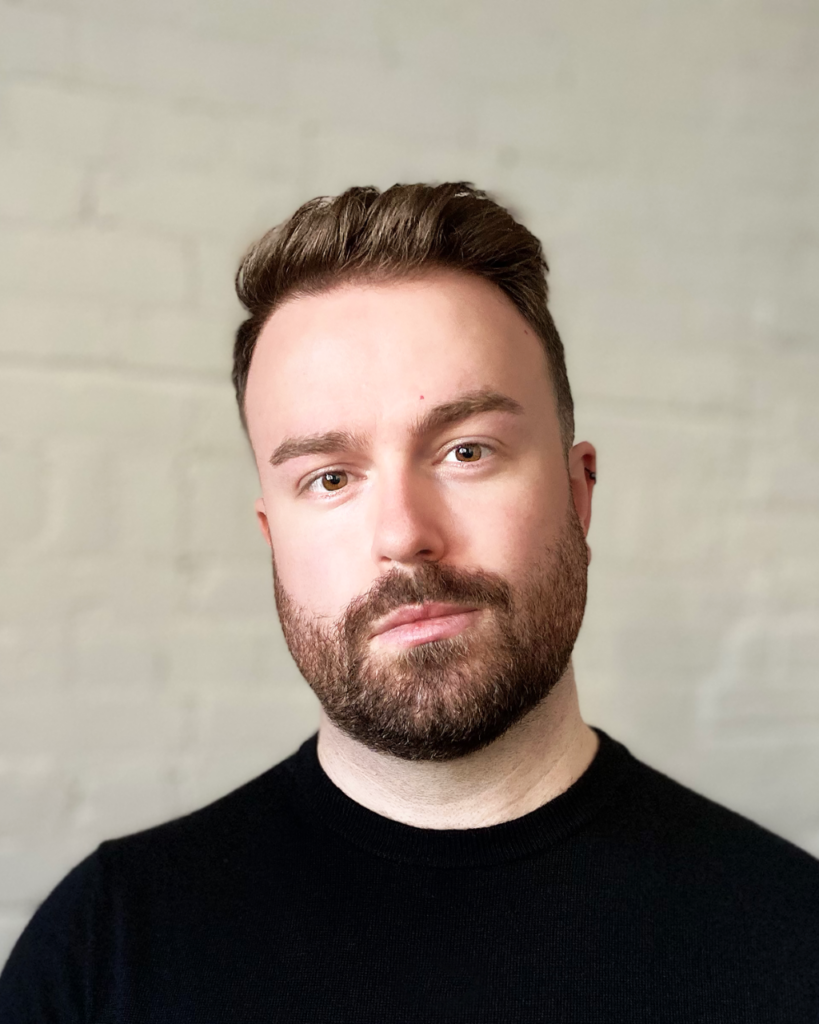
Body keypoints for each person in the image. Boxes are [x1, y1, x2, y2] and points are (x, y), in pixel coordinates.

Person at [1, 182, 817, 1022]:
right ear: (271, 536)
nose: (403, 533)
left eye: (467, 451)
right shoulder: (108, 951)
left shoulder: (793, 944)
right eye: (328, 478)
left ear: (578, 492)